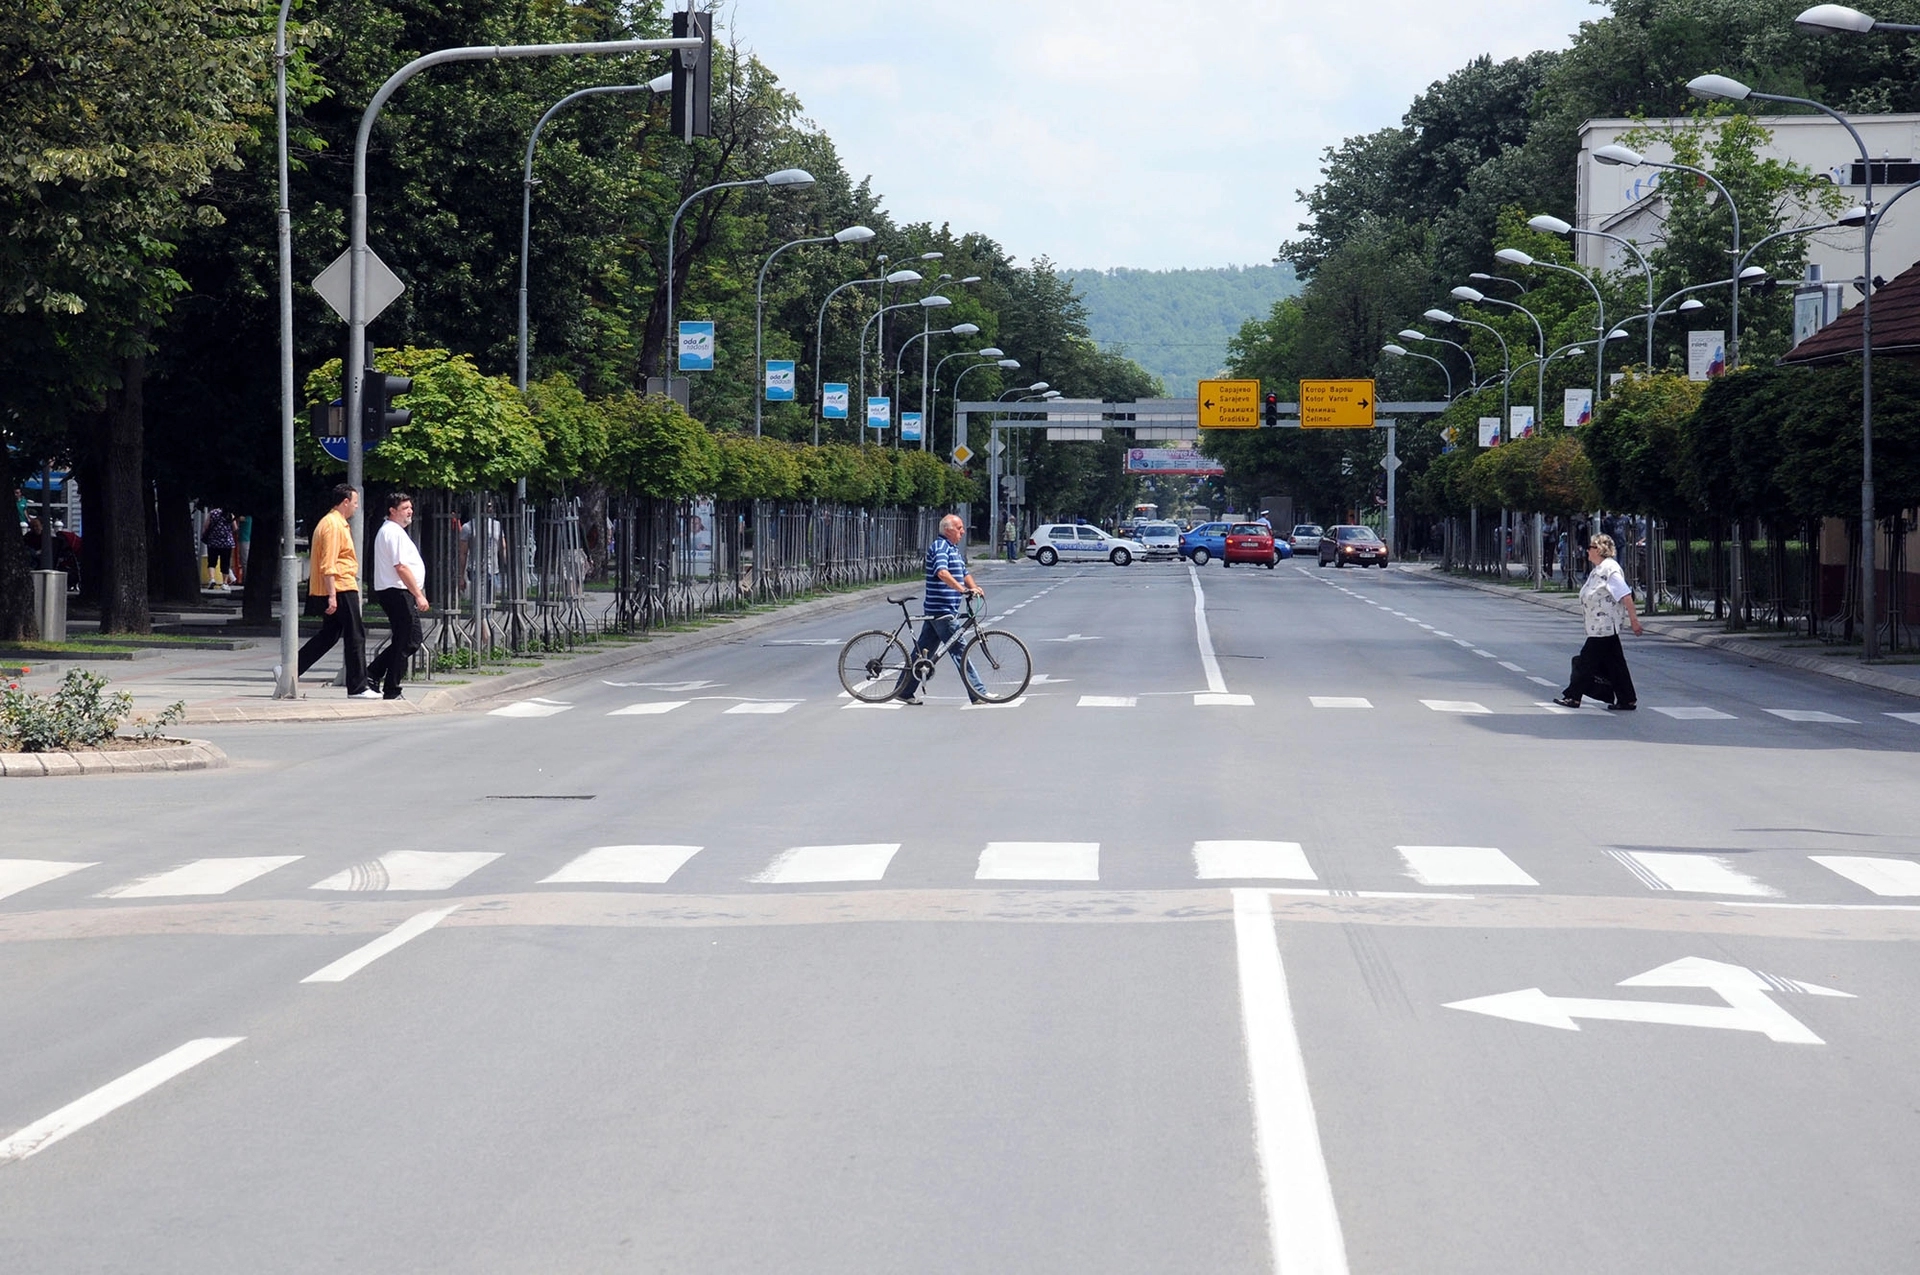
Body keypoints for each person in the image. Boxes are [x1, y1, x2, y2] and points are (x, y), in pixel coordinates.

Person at [290, 484, 377, 699]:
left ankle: (290, 670)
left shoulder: (334, 523)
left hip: (339, 586)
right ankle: (358, 687)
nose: (356, 507)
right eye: (355, 503)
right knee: (355, 635)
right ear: (345, 502)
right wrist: (331, 595)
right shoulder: (333, 525)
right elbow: (328, 563)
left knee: (329, 635)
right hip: (341, 586)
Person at [898, 513, 985, 705]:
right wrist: (962, 590)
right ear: (948, 529)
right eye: (959, 528)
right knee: (960, 650)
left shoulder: (953, 549)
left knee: (922, 653)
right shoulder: (939, 547)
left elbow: (964, 573)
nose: (963, 532)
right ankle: (978, 693)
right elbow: (942, 572)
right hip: (941, 610)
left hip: (945, 609)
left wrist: (974, 588)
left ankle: (904, 691)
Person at [1555, 532, 1643, 711]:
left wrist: (1634, 620)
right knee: (1616, 664)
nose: (1587, 550)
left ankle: (1573, 696)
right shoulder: (1598, 569)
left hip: (1604, 626)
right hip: (1599, 626)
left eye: (1591, 547)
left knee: (1585, 662)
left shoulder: (1610, 570)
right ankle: (1627, 699)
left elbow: (1626, 595)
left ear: (1600, 549)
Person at [365, 491, 430, 701]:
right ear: (392, 511)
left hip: (399, 591)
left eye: (410, 507)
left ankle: (373, 673)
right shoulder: (392, 532)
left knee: (409, 639)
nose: (410, 511)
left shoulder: (395, 531)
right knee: (408, 640)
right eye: (404, 508)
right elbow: (400, 567)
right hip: (397, 592)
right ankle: (391, 688)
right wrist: (418, 595)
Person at [202, 505, 236, 590]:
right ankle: (224, 583)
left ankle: (212, 579)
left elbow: (206, 526)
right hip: (226, 543)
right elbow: (235, 528)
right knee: (225, 563)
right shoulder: (230, 513)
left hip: (213, 542)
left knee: (212, 562)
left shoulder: (212, 513)